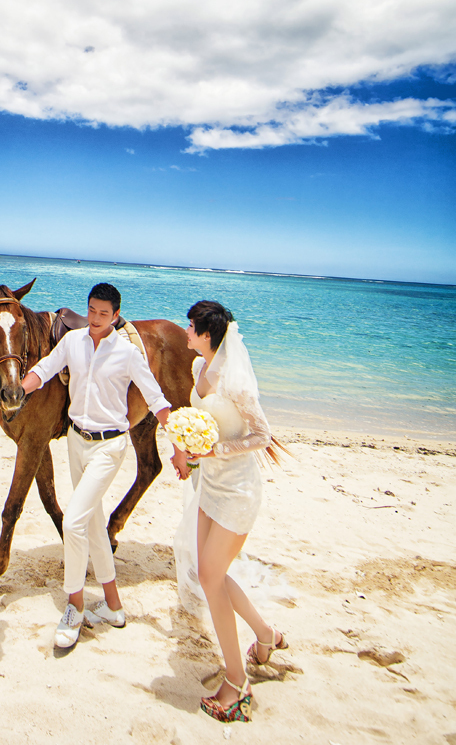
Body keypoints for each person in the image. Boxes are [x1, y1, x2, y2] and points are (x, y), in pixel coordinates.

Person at [19, 282, 183, 649]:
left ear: (116, 316)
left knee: (74, 522)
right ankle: (112, 606)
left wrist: (181, 439)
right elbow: (44, 369)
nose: (95, 319)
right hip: (76, 442)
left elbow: (156, 399)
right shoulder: (73, 342)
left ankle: (75, 606)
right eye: (91, 311)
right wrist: (19, 388)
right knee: (93, 526)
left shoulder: (127, 353)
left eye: (103, 314)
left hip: (109, 447)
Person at [172, 300, 288, 723]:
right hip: (211, 485)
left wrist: (213, 449)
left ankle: (237, 680)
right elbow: (200, 420)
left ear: (207, 334)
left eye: (190, 327)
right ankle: (265, 635)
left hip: (238, 490)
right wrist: (187, 453)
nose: (185, 332)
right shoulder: (197, 370)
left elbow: (262, 434)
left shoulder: (235, 382)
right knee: (211, 573)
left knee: (208, 576)